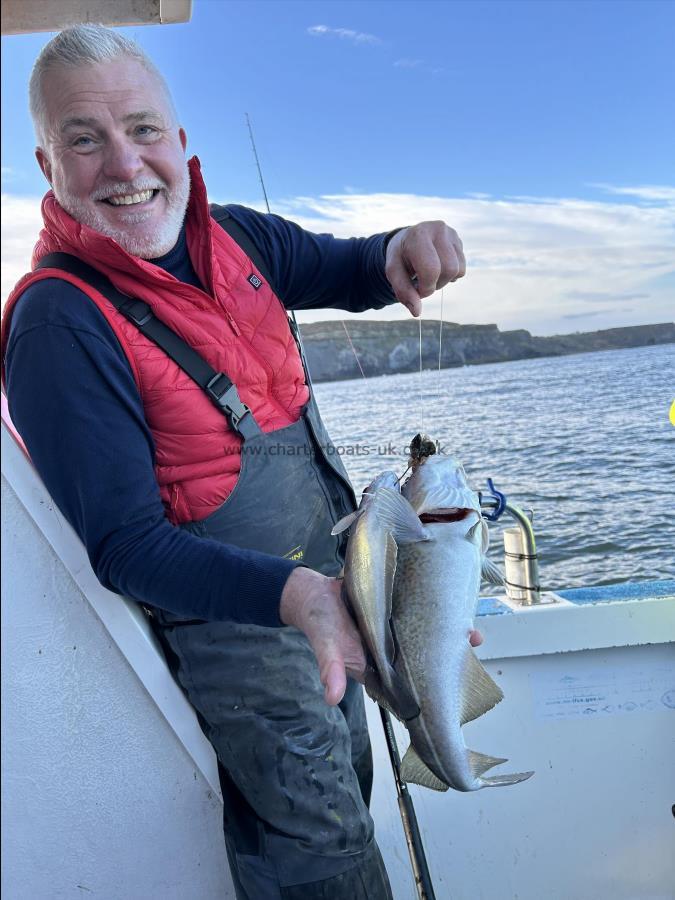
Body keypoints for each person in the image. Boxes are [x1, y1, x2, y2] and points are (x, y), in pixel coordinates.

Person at [1, 24, 479, 900]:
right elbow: (124, 546)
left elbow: (353, 266)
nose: (123, 164)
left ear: (180, 143)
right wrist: (295, 599)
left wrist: (407, 246)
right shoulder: (56, 324)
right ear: (47, 167)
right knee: (320, 848)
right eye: (84, 139)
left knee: (354, 795)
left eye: (142, 130)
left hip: (338, 596)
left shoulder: (240, 239)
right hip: (242, 636)